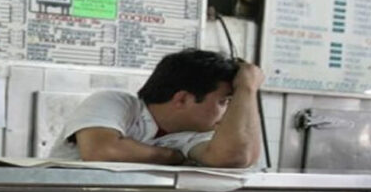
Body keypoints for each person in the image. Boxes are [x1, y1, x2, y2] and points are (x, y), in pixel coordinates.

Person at [48, 49, 264, 168]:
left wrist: (247, 88)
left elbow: (237, 157)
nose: (228, 112)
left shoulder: (195, 137)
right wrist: (171, 157)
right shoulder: (114, 102)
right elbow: (103, 151)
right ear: (182, 99)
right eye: (224, 102)